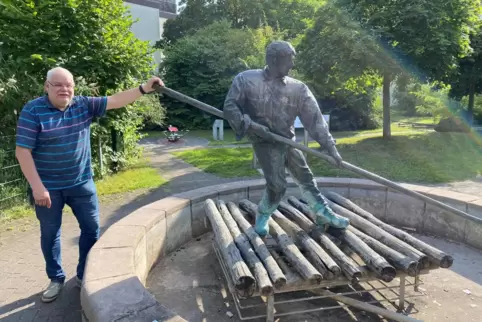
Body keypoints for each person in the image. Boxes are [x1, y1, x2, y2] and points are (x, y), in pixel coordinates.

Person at [15, 67, 164, 303]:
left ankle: (84, 274)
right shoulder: (33, 111)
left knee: (91, 229)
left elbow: (116, 100)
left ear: (74, 87)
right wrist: (37, 187)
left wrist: (144, 88)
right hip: (48, 188)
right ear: (47, 87)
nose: (65, 89)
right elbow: (23, 151)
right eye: (58, 85)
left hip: (81, 184)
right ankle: (55, 278)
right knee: (50, 233)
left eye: (69, 85)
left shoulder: (83, 105)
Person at [223, 40, 349, 238]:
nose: (292, 65)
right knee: (277, 186)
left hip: (287, 140)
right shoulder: (245, 80)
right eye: (289, 60)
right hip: (264, 142)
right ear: (274, 60)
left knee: (305, 177)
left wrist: (330, 148)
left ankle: (323, 213)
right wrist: (249, 124)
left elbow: (315, 120)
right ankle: (263, 213)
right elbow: (230, 107)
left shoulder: (298, 88)